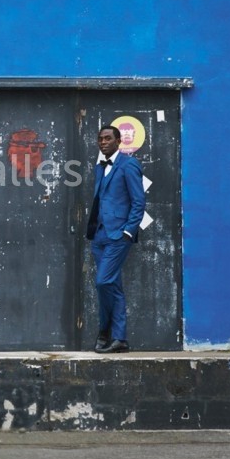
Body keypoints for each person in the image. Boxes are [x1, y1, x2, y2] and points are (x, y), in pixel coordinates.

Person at [85, 124, 146, 353]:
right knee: (112, 286)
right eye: (100, 139)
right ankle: (120, 339)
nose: (103, 142)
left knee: (103, 282)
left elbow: (138, 202)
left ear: (119, 141)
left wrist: (128, 231)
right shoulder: (100, 167)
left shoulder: (129, 164)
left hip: (118, 235)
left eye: (108, 138)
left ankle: (104, 330)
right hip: (100, 235)